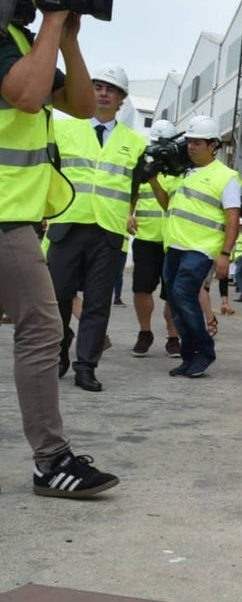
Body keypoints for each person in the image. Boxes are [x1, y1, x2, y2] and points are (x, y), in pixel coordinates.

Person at [0, 0, 119, 496]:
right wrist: (51, 22)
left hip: (17, 218)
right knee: (44, 330)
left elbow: (79, 105)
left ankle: (52, 458)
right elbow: (24, 97)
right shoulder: (4, 39)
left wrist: (67, 36)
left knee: (40, 329)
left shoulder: (25, 40)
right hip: (3, 223)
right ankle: (52, 461)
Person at [47, 64, 147, 392]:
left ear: (121, 99)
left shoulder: (135, 143)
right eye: (98, 86)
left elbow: (135, 188)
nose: (103, 93)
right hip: (67, 224)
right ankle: (59, 352)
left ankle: (86, 365)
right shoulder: (62, 129)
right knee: (58, 297)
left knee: (97, 302)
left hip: (108, 231)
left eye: (111, 89)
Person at [152, 116, 241, 378]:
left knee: (182, 293)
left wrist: (225, 254)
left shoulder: (226, 177)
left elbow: (233, 218)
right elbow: (168, 205)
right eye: (189, 141)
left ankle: (204, 350)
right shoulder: (182, 173)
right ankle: (189, 356)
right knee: (176, 301)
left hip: (201, 248)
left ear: (213, 145)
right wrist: (154, 181)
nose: (191, 147)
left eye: (197, 142)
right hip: (175, 246)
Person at [129, 119, 181, 358]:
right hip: (146, 238)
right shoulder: (141, 165)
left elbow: (168, 204)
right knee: (141, 288)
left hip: (171, 241)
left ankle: (173, 336)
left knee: (171, 293)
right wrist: (128, 215)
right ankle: (145, 332)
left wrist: (153, 178)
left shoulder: (178, 171)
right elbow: (132, 194)